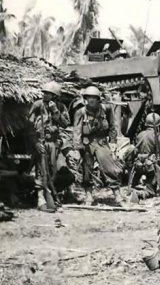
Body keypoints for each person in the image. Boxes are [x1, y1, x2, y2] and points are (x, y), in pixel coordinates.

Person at [73, 85, 122, 205]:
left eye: (94, 97)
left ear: (98, 99)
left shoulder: (106, 109)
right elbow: (77, 130)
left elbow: (112, 126)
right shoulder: (80, 112)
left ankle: (118, 196)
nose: (91, 100)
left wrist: (113, 142)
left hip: (101, 142)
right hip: (86, 143)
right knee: (86, 170)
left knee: (109, 168)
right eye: (88, 97)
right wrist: (76, 148)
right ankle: (89, 196)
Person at [28, 81, 70, 212]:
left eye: (48, 93)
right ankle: (41, 199)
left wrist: (55, 111)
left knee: (55, 170)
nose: (45, 95)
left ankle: (52, 195)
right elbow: (29, 127)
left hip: (54, 142)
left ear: (55, 96)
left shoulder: (61, 107)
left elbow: (65, 124)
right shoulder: (37, 105)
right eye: (44, 93)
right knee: (41, 171)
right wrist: (35, 142)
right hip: (40, 142)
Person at [126, 112, 160, 200]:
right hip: (151, 167)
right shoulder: (158, 136)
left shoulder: (140, 135)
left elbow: (135, 151)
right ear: (158, 125)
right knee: (151, 192)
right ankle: (140, 194)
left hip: (138, 165)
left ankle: (133, 190)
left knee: (133, 186)